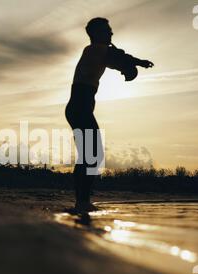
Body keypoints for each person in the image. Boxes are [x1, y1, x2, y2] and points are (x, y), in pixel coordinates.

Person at [66, 17, 154, 212]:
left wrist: (130, 67)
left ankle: (83, 201)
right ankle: (81, 203)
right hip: (79, 107)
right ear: (97, 33)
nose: (111, 33)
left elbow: (117, 59)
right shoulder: (94, 50)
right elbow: (118, 57)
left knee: (91, 154)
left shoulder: (100, 52)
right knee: (92, 153)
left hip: (80, 108)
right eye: (108, 30)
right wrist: (137, 64)